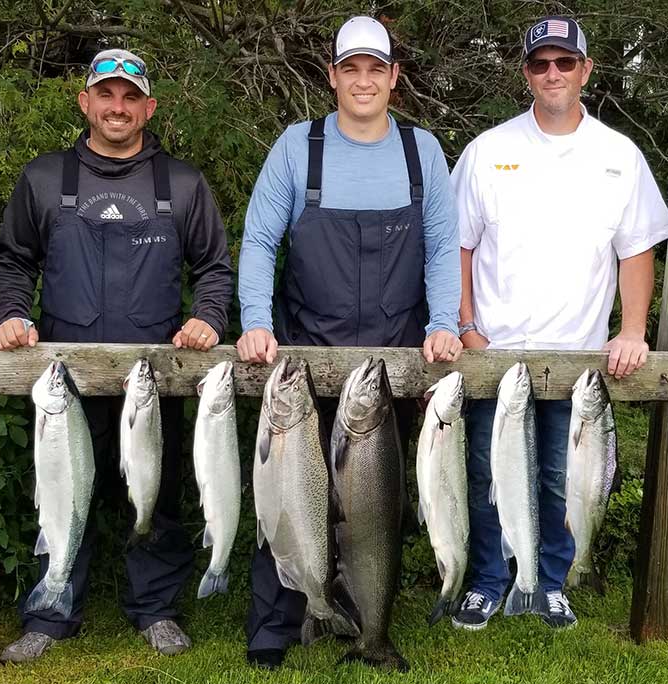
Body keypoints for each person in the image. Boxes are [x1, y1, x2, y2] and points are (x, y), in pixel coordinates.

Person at [0, 48, 234, 662]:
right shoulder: (45, 180)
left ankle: (155, 609)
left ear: (148, 107)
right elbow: (13, 260)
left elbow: (213, 267)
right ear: (86, 102)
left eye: (130, 97)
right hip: (64, 381)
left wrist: (207, 318)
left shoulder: (181, 184)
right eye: (107, 95)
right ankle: (50, 612)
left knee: (155, 493)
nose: (118, 107)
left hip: (153, 379)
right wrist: (12, 315)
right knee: (59, 491)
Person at [236, 16, 461, 668]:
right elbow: (257, 241)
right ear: (332, 75)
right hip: (306, 352)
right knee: (288, 494)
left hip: (389, 364)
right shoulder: (295, 148)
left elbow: (444, 248)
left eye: (376, 68)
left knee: (374, 506)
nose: (363, 80)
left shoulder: (423, 153)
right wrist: (257, 321)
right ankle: (274, 626)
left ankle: (368, 619)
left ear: (394, 77)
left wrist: (442, 322)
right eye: (350, 68)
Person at [452, 16, 668, 631]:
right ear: (526, 73)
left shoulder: (618, 156)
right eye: (541, 63)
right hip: (496, 353)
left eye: (565, 62)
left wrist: (631, 330)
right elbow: (459, 246)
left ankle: (551, 582)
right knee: (485, 475)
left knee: (560, 477)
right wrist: (466, 324)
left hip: (576, 358)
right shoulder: (488, 151)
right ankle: (489, 581)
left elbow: (637, 249)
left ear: (586, 71)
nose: (553, 73)